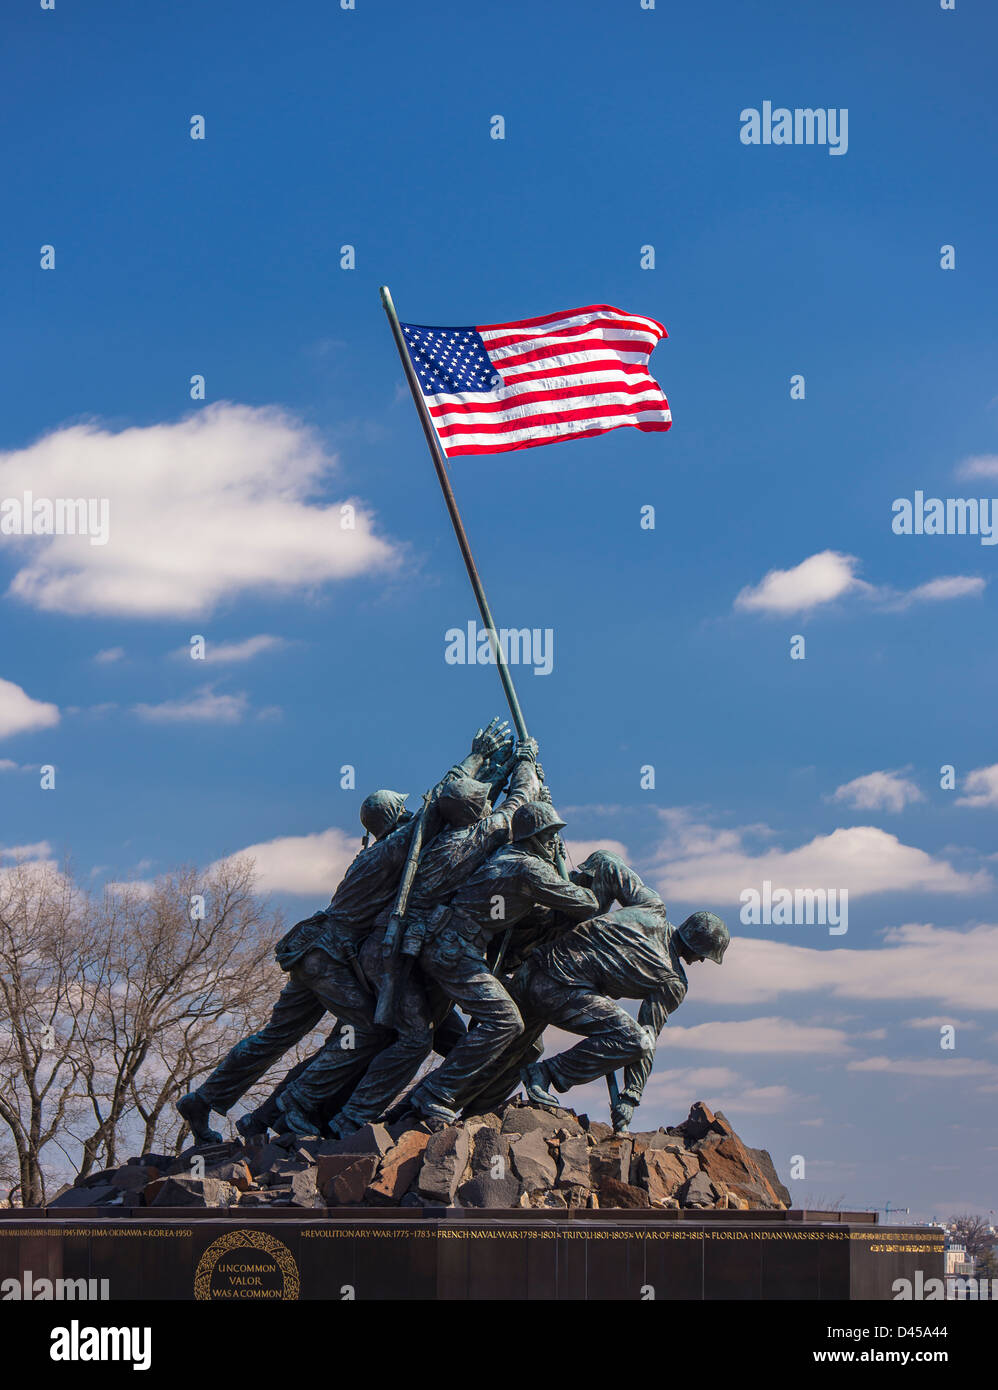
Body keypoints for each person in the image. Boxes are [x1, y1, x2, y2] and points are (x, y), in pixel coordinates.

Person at [175, 719, 511, 1145]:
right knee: (368, 1030)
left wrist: (491, 773)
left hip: (317, 954)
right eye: (401, 810)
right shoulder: (390, 851)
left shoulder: (373, 853)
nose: (409, 813)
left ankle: (205, 1099)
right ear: (393, 818)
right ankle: (296, 1106)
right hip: (329, 958)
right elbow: (438, 807)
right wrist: (477, 756)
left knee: (274, 1037)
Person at [275, 740, 544, 1137]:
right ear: (475, 812)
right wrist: (526, 762)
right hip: (391, 955)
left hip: (386, 950)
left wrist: (489, 762)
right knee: (414, 1038)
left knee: (407, 1034)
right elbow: (519, 802)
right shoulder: (473, 839)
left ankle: (335, 1112)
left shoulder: (437, 837)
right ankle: (333, 1113)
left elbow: (451, 795)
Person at [470, 850, 729, 1132]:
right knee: (633, 1040)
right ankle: (545, 1073)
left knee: (502, 1059)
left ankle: (448, 1107)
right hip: (556, 992)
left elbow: (607, 863)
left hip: (532, 970)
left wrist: (584, 891)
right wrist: (632, 1096)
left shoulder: (651, 905)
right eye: (704, 955)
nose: (701, 960)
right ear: (698, 949)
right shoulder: (673, 982)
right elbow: (646, 1039)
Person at [404, 801, 601, 1124]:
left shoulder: (509, 860)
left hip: (452, 945)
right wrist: (563, 873)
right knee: (506, 1021)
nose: (554, 843)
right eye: (550, 835)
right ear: (535, 836)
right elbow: (586, 903)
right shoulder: (528, 867)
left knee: (526, 1045)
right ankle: (435, 1094)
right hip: (454, 950)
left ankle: (469, 1106)